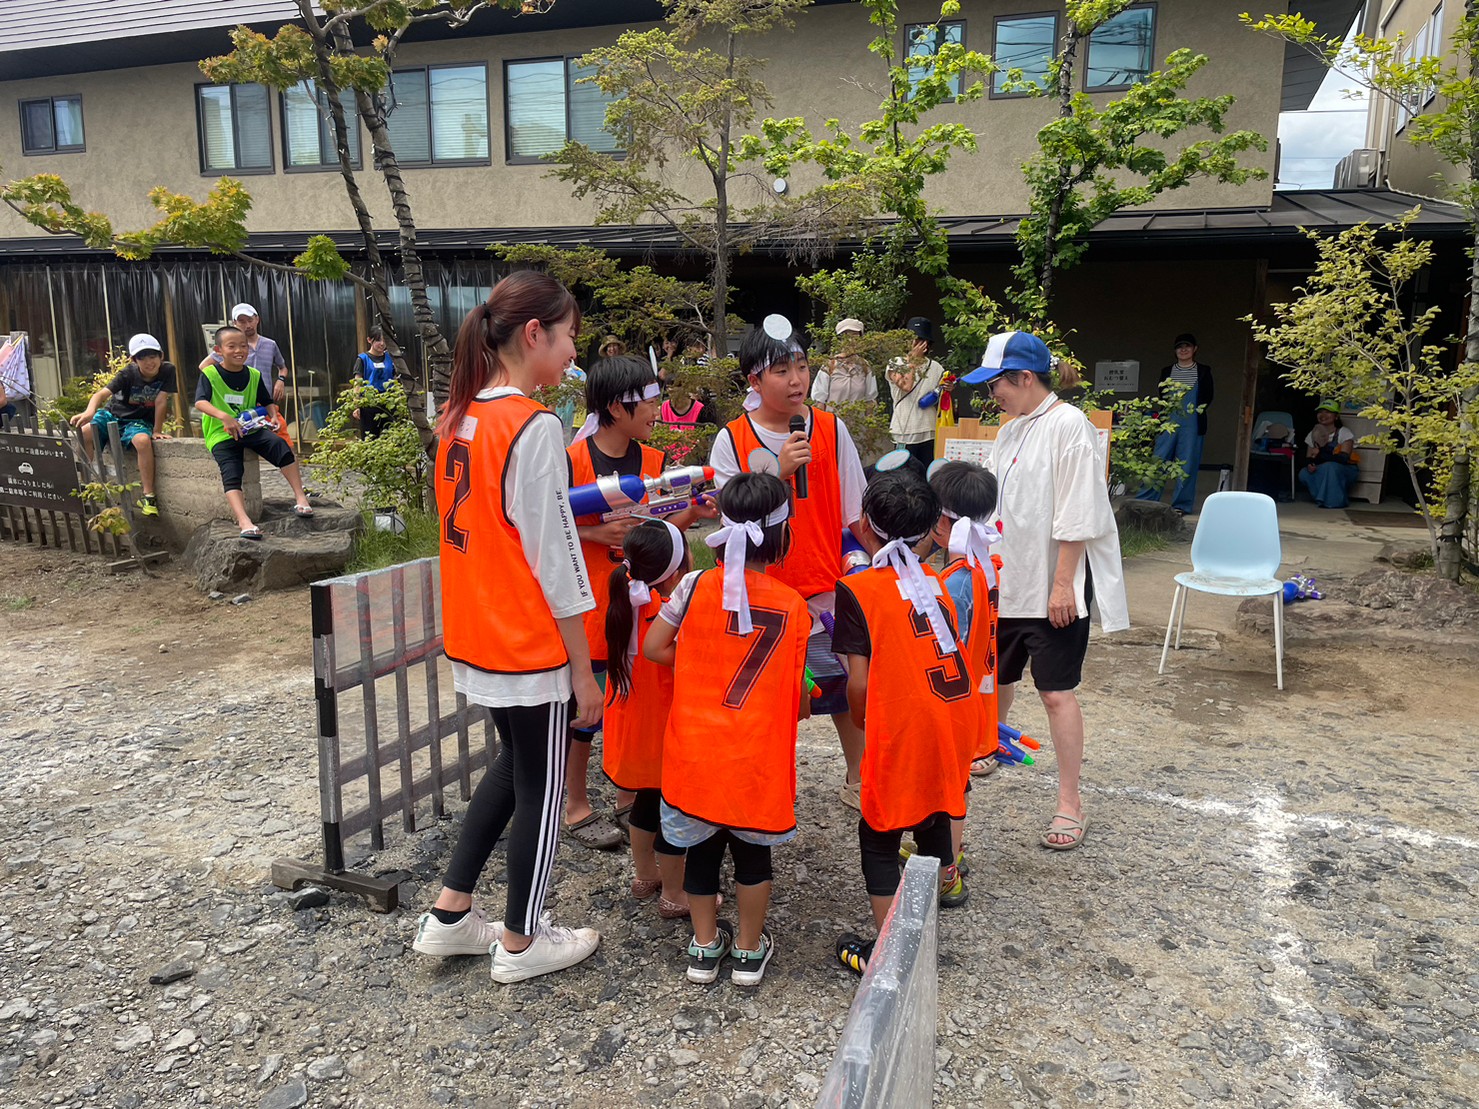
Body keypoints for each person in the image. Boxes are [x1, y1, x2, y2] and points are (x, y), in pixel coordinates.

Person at [410, 271, 603, 984]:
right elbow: (558, 560)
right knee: (542, 790)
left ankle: (451, 914)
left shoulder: (457, 413)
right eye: (570, 335)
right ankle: (522, 940)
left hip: (477, 631)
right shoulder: (533, 424)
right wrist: (582, 668)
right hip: (526, 641)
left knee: (516, 765)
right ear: (534, 333)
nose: (574, 350)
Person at [958, 331, 1129, 851]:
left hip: (1053, 584)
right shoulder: (1010, 429)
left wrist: (1062, 586)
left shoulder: (1069, 425)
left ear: (1025, 378)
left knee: (1055, 692)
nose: (992, 394)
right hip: (1006, 578)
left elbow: (1079, 512)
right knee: (995, 677)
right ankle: (989, 744)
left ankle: (1070, 801)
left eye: (996, 384)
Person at [643, 472, 811, 986]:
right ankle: (748, 950)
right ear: (780, 536)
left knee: (701, 852)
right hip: (754, 755)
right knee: (753, 857)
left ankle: (703, 946)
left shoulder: (693, 586)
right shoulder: (793, 605)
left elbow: (653, 647)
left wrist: (699, 666)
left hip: (695, 749)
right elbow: (798, 699)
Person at [708, 318, 869, 810]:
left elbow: (856, 510)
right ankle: (760, 783)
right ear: (754, 381)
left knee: (841, 687)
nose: (796, 380)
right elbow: (729, 520)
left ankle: (860, 778)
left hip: (825, 586)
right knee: (764, 694)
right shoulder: (732, 439)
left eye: (801, 366)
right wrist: (778, 475)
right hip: (760, 596)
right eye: (781, 370)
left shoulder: (831, 429)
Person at [829, 469, 982, 976]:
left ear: (864, 526)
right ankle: (926, 919)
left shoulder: (857, 588)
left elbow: (858, 684)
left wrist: (861, 720)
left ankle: (892, 955)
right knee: (933, 816)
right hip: (952, 719)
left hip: (905, 724)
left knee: (878, 835)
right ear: (927, 530)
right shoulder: (934, 581)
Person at [563, 355, 669, 851]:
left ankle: (630, 791)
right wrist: (593, 533)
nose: (656, 410)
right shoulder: (572, 460)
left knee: (634, 698)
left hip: (642, 604)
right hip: (589, 604)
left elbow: (661, 529)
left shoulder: (653, 462)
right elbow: (539, 526)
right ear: (615, 407)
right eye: (647, 402)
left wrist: (689, 514)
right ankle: (575, 803)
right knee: (587, 709)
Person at [603, 519, 692, 918]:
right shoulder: (669, 609)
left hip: (631, 723)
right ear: (676, 570)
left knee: (644, 801)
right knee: (673, 813)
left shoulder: (624, 597)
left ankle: (644, 875)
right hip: (665, 726)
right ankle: (675, 893)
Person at [192, 326, 314, 539]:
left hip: (249, 428)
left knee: (279, 445)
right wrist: (223, 416)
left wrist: (273, 416)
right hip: (222, 433)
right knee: (231, 470)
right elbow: (200, 402)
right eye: (231, 346)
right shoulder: (210, 374)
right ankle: (244, 520)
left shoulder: (253, 374)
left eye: (243, 346)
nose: (239, 350)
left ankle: (301, 497)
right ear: (218, 350)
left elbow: (266, 400)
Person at [928, 459, 1003, 800]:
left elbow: (944, 647)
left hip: (954, 700)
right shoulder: (984, 566)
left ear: (943, 521)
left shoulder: (956, 583)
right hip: (976, 692)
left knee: (948, 783)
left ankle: (949, 835)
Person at [69, 333, 177, 517]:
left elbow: (161, 401)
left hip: (138, 421)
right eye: (142, 358)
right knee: (86, 432)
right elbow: (100, 394)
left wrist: (157, 430)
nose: (149, 362)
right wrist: (89, 411)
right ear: (134, 360)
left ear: (161, 356)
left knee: (143, 441)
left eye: (152, 356)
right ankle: (86, 483)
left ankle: (148, 496)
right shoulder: (127, 374)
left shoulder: (168, 371)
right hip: (113, 415)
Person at [1137, 332, 1213, 516]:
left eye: (1187, 346)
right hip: (1168, 421)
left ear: (1195, 349)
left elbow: (1208, 397)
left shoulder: (1203, 371)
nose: (1183, 350)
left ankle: (1181, 505)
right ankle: (1145, 500)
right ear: (1175, 350)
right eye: (1180, 347)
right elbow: (1162, 396)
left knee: (1187, 464)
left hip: (1193, 423)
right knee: (1158, 459)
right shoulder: (1167, 371)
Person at [201, 303, 289, 408]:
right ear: (235, 323)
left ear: (257, 319)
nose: (248, 325)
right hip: (239, 403)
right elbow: (204, 366)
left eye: (250, 320)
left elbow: (282, 367)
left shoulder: (270, 345)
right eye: (242, 321)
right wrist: (225, 387)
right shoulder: (231, 348)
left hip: (264, 402)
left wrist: (280, 380)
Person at [886, 317, 946, 469]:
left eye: (919, 340)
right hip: (904, 430)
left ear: (926, 343)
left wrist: (947, 387)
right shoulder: (895, 363)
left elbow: (940, 396)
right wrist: (912, 360)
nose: (915, 343)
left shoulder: (936, 367)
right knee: (903, 475)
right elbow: (906, 386)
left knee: (926, 474)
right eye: (912, 339)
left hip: (929, 429)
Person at [1299, 401, 1359, 509]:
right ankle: (1322, 498)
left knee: (1330, 467)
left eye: (1327, 412)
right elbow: (1309, 458)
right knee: (1304, 473)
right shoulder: (1313, 434)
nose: (1323, 415)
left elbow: (1343, 458)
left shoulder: (1344, 432)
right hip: (1323, 468)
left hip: (1344, 469)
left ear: (1336, 416)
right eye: (1320, 412)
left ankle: (1335, 501)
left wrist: (1321, 453)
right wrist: (1310, 465)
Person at [811, 318, 878, 411]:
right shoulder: (830, 366)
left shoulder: (865, 367)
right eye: (846, 335)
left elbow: (870, 400)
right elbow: (819, 401)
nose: (850, 340)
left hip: (857, 420)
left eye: (854, 335)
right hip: (833, 419)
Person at [658, 383, 716, 464]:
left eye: (675, 389)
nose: (671, 391)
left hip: (692, 460)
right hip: (667, 459)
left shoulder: (701, 410)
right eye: (669, 389)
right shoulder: (663, 408)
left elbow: (704, 445)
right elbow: (657, 438)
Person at [352, 327, 394, 438]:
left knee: (391, 437)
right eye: (378, 340)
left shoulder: (390, 358)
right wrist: (357, 405)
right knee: (370, 438)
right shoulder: (362, 359)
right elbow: (357, 384)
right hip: (369, 405)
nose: (382, 344)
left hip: (389, 403)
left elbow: (396, 378)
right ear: (369, 340)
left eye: (384, 340)